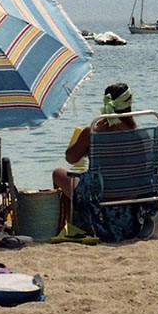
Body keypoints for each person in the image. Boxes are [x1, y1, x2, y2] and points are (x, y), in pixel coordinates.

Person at [52, 83, 138, 225]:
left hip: (98, 201)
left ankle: (67, 226)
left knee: (58, 173)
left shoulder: (92, 133)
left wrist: (84, 144)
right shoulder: (142, 135)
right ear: (129, 103)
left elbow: (71, 158)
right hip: (133, 202)